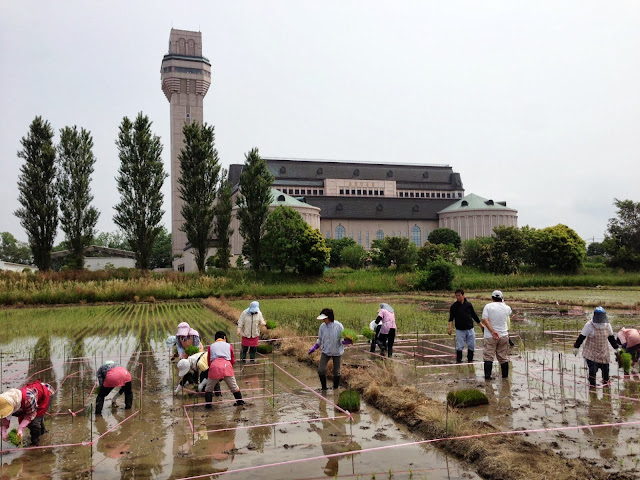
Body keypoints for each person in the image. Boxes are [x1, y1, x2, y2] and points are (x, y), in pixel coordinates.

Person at [573, 307, 619, 387]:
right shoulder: (589, 325)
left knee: (606, 371)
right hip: (591, 353)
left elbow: (611, 338)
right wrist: (576, 347)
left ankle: (605, 384)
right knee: (592, 371)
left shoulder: (607, 325)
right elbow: (582, 337)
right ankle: (592, 387)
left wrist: (616, 348)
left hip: (604, 352)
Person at [0, 381, 54, 446]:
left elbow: (30, 416)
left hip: (46, 393)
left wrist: (20, 428)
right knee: (37, 419)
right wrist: (3, 430)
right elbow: (5, 417)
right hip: (32, 398)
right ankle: (42, 432)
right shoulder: (3, 400)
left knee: (34, 422)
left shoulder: (28, 399)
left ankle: (35, 443)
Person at [205, 331, 244, 408]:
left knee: (209, 389)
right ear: (224, 338)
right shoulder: (229, 346)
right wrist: (229, 367)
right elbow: (232, 359)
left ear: (215, 339)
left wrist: (211, 370)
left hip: (214, 367)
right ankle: (240, 402)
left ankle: (208, 406)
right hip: (226, 366)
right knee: (234, 387)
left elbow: (209, 360)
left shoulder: (211, 346)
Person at [308, 308, 345, 390]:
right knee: (321, 370)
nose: (323, 320)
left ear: (330, 317)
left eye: (325, 318)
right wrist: (314, 347)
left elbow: (342, 340)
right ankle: (324, 388)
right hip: (326, 352)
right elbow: (320, 339)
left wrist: (346, 342)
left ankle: (335, 389)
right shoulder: (322, 327)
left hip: (337, 352)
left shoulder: (339, 326)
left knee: (336, 372)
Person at [481, 290, 512, 380]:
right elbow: (508, 311)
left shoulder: (488, 306)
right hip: (503, 335)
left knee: (488, 357)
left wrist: (492, 331)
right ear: (502, 298)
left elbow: (485, 320)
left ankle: (487, 377)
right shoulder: (507, 308)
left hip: (490, 336)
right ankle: (505, 377)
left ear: (492, 298)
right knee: (503, 357)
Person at [448, 289, 482, 363]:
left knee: (472, 345)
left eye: (459, 296)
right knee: (459, 346)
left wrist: (480, 325)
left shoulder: (469, 305)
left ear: (463, 295)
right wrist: (450, 328)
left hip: (470, 328)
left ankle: (470, 360)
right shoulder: (454, 306)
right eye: (456, 296)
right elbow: (451, 318)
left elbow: (474, 315)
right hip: (460, 330)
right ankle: (459, 360)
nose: (457, 297)